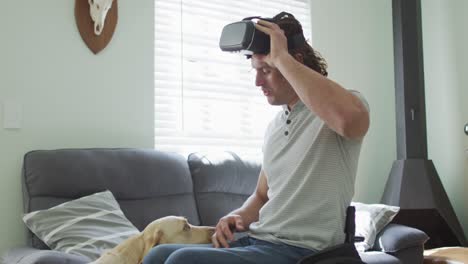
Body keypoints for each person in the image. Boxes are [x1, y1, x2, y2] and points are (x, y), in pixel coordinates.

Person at [143, 11, 370, 264]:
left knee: (182, 261)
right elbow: (262, 196)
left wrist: (281, 57)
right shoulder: (274, 127)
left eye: (267, 70)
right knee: (157, 255)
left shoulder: (340, 109)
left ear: (294, 61)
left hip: (303, 250)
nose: (257, 81)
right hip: (262, 242)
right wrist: (236, 216)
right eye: (255, 70)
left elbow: (351, 121)